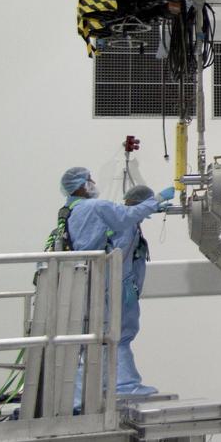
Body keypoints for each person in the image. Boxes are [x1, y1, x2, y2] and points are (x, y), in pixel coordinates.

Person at [59, 167, 174, 402]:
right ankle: (122, 386)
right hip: (110, 286)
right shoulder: (96, 208)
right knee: (115, 335)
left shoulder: (74, 211)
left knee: (97, 337)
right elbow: (124, 220)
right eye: (89, 179)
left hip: (96, 282)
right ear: (81, 185)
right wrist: (158, 199)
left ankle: (86, 393)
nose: (92, 182)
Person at [116, 185, 157, 395]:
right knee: (118, 337)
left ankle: (126, 382)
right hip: (117, 293)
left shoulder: (131, 226)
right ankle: (124, 385)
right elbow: (117, 261)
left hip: (124, 291)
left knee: (121, 337)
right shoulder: (125, 227)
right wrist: (123, 288)